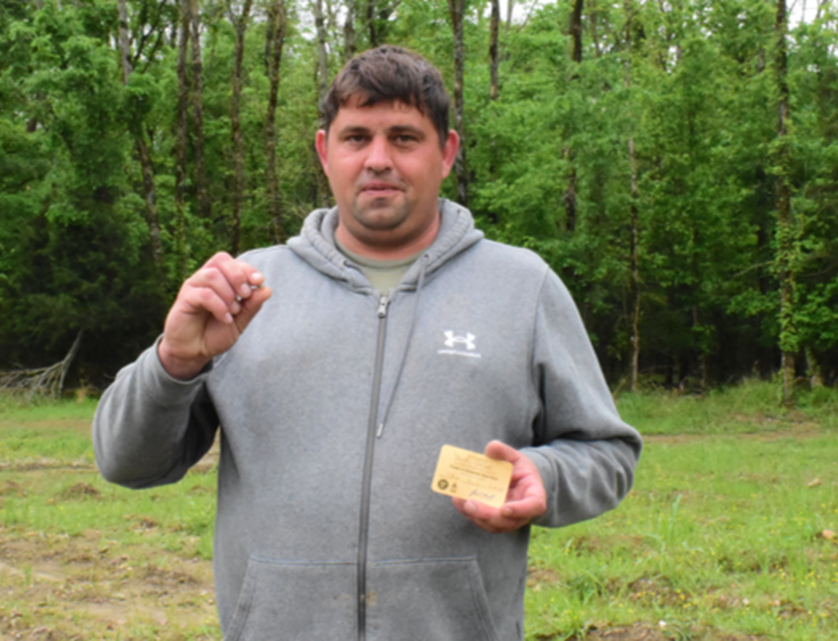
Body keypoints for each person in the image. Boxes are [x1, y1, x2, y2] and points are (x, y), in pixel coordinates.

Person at [93, 45, 642, 641]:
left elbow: (607, 453)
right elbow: (127, 463)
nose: (378, 160)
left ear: (447, 152)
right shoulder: (243, 291)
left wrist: (545, 476)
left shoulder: (522, 287)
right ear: (325, 151)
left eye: (404, 138)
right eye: (357, 138)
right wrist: (175, 363)